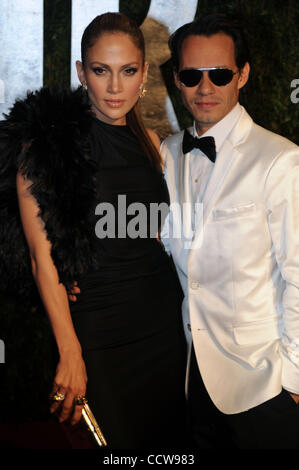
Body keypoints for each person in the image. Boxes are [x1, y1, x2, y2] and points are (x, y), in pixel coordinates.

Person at [0, 12, 187, 449]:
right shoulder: (46, 148)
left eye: (127, 71)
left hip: (162, 325)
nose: (115, 87)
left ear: (144, 73)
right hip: (96, 331)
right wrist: (70, 350)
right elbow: (40, 257)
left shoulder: (156, 146)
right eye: (101, 71)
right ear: (82, 72)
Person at [160, 13, 299, 449]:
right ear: (177, 80)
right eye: (191, 75)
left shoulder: (279, 159)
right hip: (192, 380)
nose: (205, 88)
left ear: (242, 75)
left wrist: (293, 382)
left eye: (219, 74)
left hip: (263, 384)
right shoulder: (166, 154)